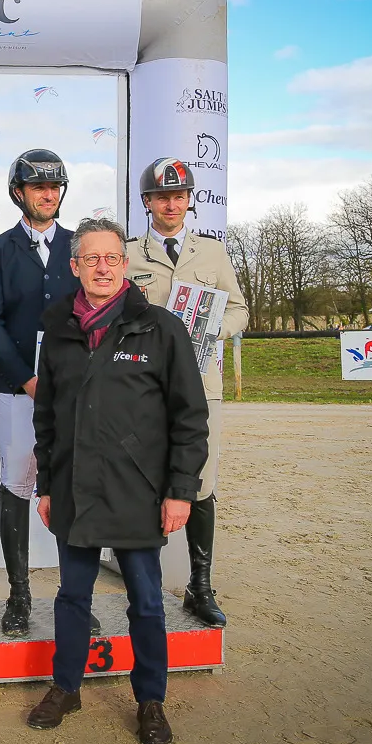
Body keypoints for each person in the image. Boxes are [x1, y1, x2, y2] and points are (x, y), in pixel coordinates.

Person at [28, 217, 209, 744]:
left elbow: (190, 417)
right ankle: (66, 687)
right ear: (75, 267)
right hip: (75, 487)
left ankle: (150, 699)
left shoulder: (161, 328)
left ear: (124, 266)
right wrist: (46, 484)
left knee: (148, 602)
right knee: (72, 597)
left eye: (111, 258)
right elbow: (47, 416)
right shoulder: (58, 328)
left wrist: (181, 490)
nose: (102, 267)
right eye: (91, 259)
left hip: (140, 490)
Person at [126, 157, 247, 628]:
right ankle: (144, 586)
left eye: (178, 196)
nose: (170, 204)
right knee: (141, 481)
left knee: (201, 483)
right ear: (147, 203)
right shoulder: (129, 254)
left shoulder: (212, 253)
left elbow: (239, 310)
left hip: (202, 385)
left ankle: (200, 586)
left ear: (189, 200)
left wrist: (212, 330)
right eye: (160, 197)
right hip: (144, 388)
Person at [0, 150, 78, 636]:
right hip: (15, 387)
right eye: (38, 187)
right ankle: (18, 594)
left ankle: (73, 595)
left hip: (72, 387)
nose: (47, 194)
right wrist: (27, 378)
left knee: (72, 484)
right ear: (19, 192)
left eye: (54, 186)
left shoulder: (80, 246)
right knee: (17, 480)